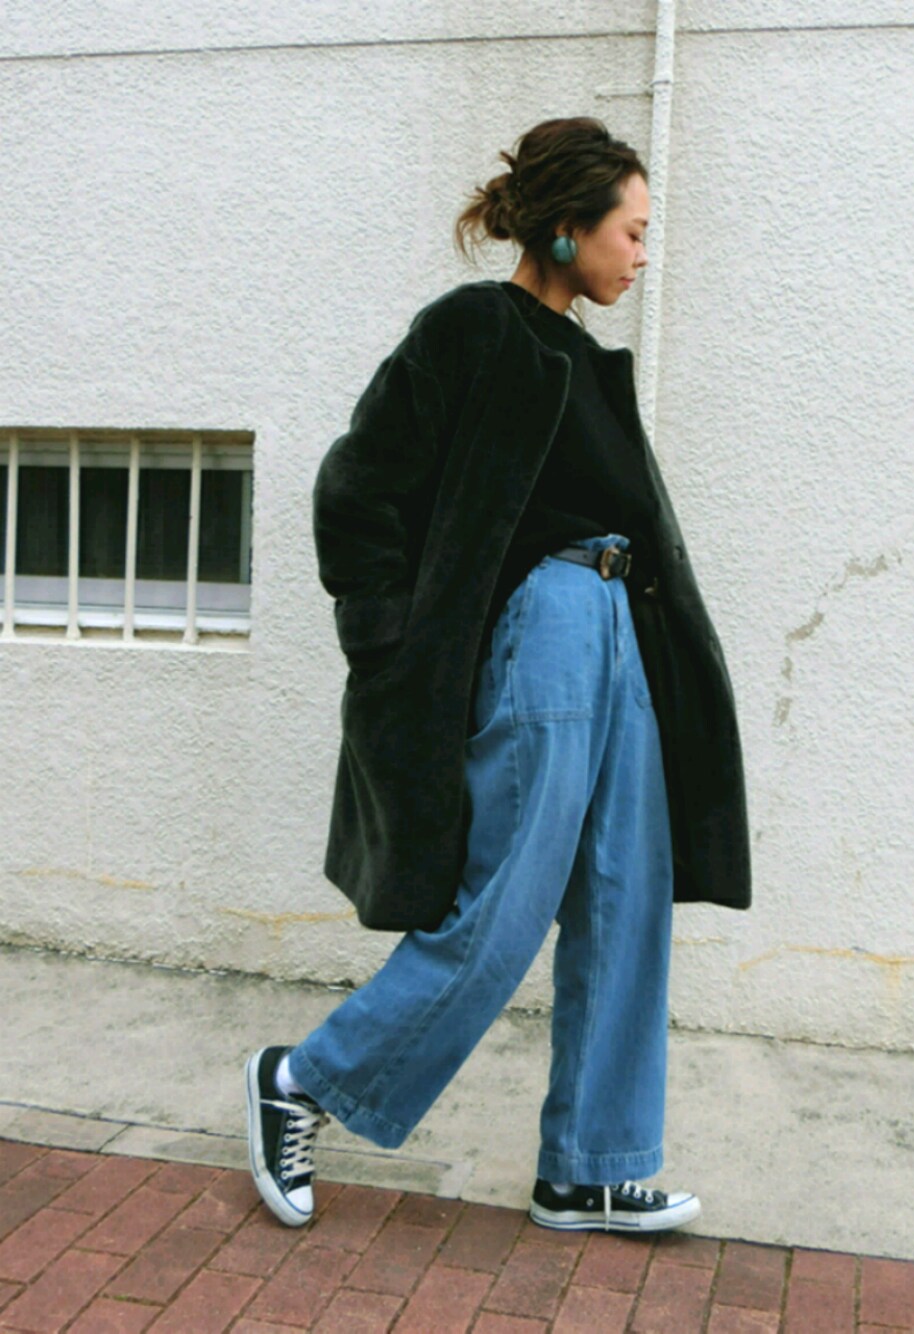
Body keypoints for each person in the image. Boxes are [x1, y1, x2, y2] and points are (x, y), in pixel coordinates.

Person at [245, 117, 752, 1236]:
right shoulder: (473, 327)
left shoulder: (583, 358)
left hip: (622, 632)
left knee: (626, 901)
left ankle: (592, 1165)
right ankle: (302, 1080)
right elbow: (357, 487)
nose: (643, 252)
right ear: (568, 229)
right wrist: (387, 636)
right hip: (550, 625)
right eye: (631, 230)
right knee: (506, 902)